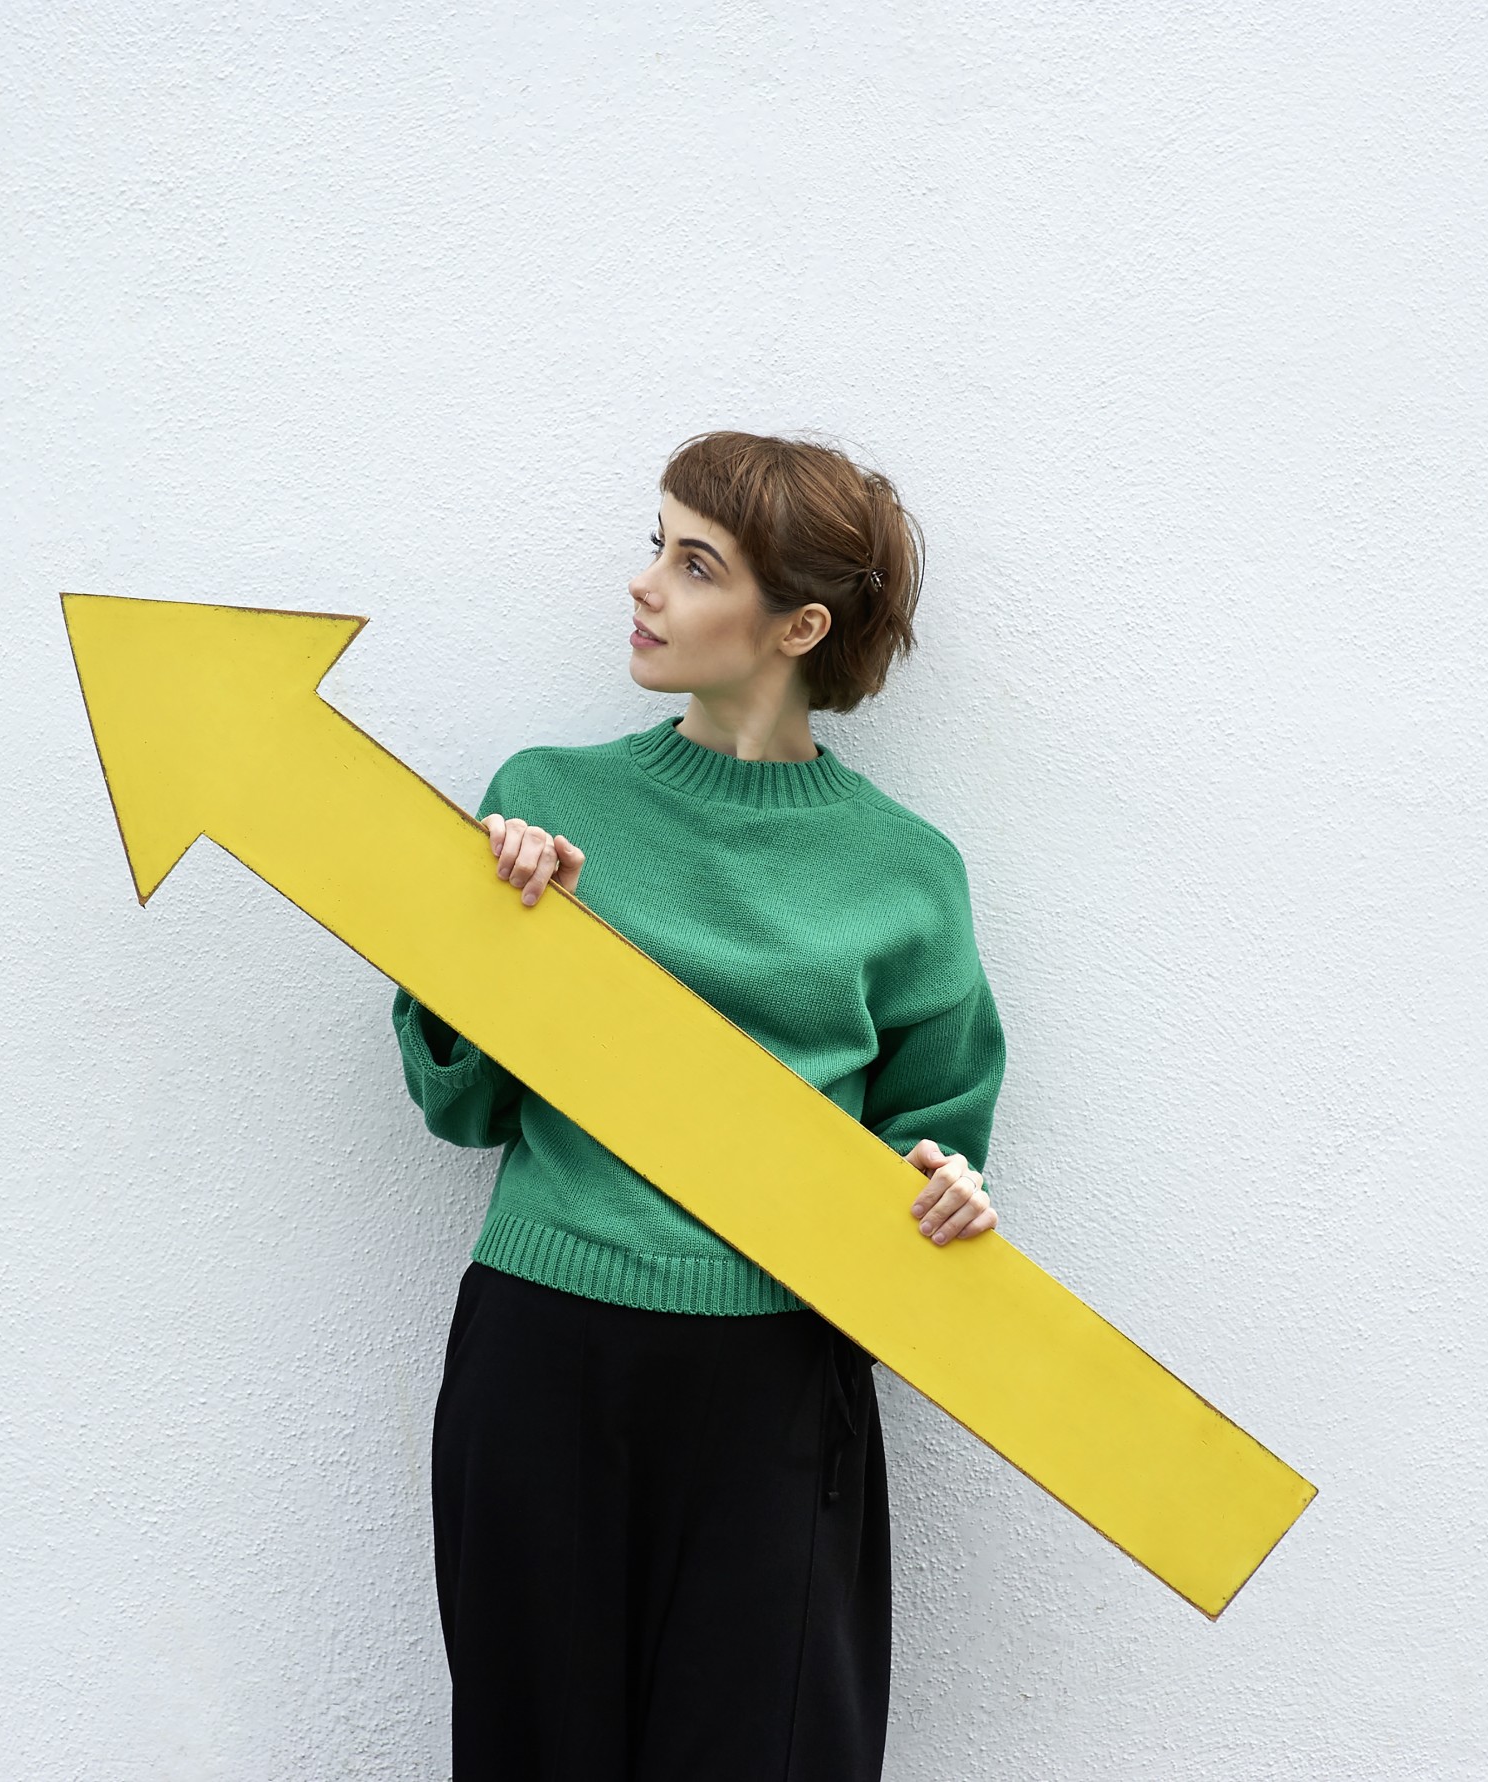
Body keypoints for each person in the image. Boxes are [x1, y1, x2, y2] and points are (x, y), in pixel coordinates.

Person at [391, 430, 1007, 1780]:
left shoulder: (906, 873)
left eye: (695, 563)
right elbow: (459, 1104)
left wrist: (947, 1187)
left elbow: (937, 1126)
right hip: (545, 1352)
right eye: (655, 545)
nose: (645, 584)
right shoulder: (546, 803)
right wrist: (500, 939)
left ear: (798, 625)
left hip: (777, 1381)